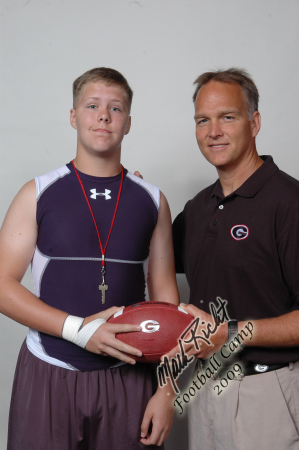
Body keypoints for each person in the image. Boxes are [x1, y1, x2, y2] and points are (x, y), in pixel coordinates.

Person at [0, 67, 179, 449]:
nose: (103, 116)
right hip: (51, 367)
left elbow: (167, 301)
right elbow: (1, 285)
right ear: (73, 116)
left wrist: (167, 389)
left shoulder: (152, 199)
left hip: (129, 374)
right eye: (92, 105)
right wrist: (78, 331)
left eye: (115, 109)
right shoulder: (37, 192)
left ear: (128, 123)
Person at [170, 68, 299, 449]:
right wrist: (138, 202)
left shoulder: (289, 203)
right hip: (204, 387)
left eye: (227, 116)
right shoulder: (196, 209)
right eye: (202, 120)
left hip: (267, 392)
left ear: (254, 122)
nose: (214, 131)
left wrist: (230, 334)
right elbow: (153, 259)